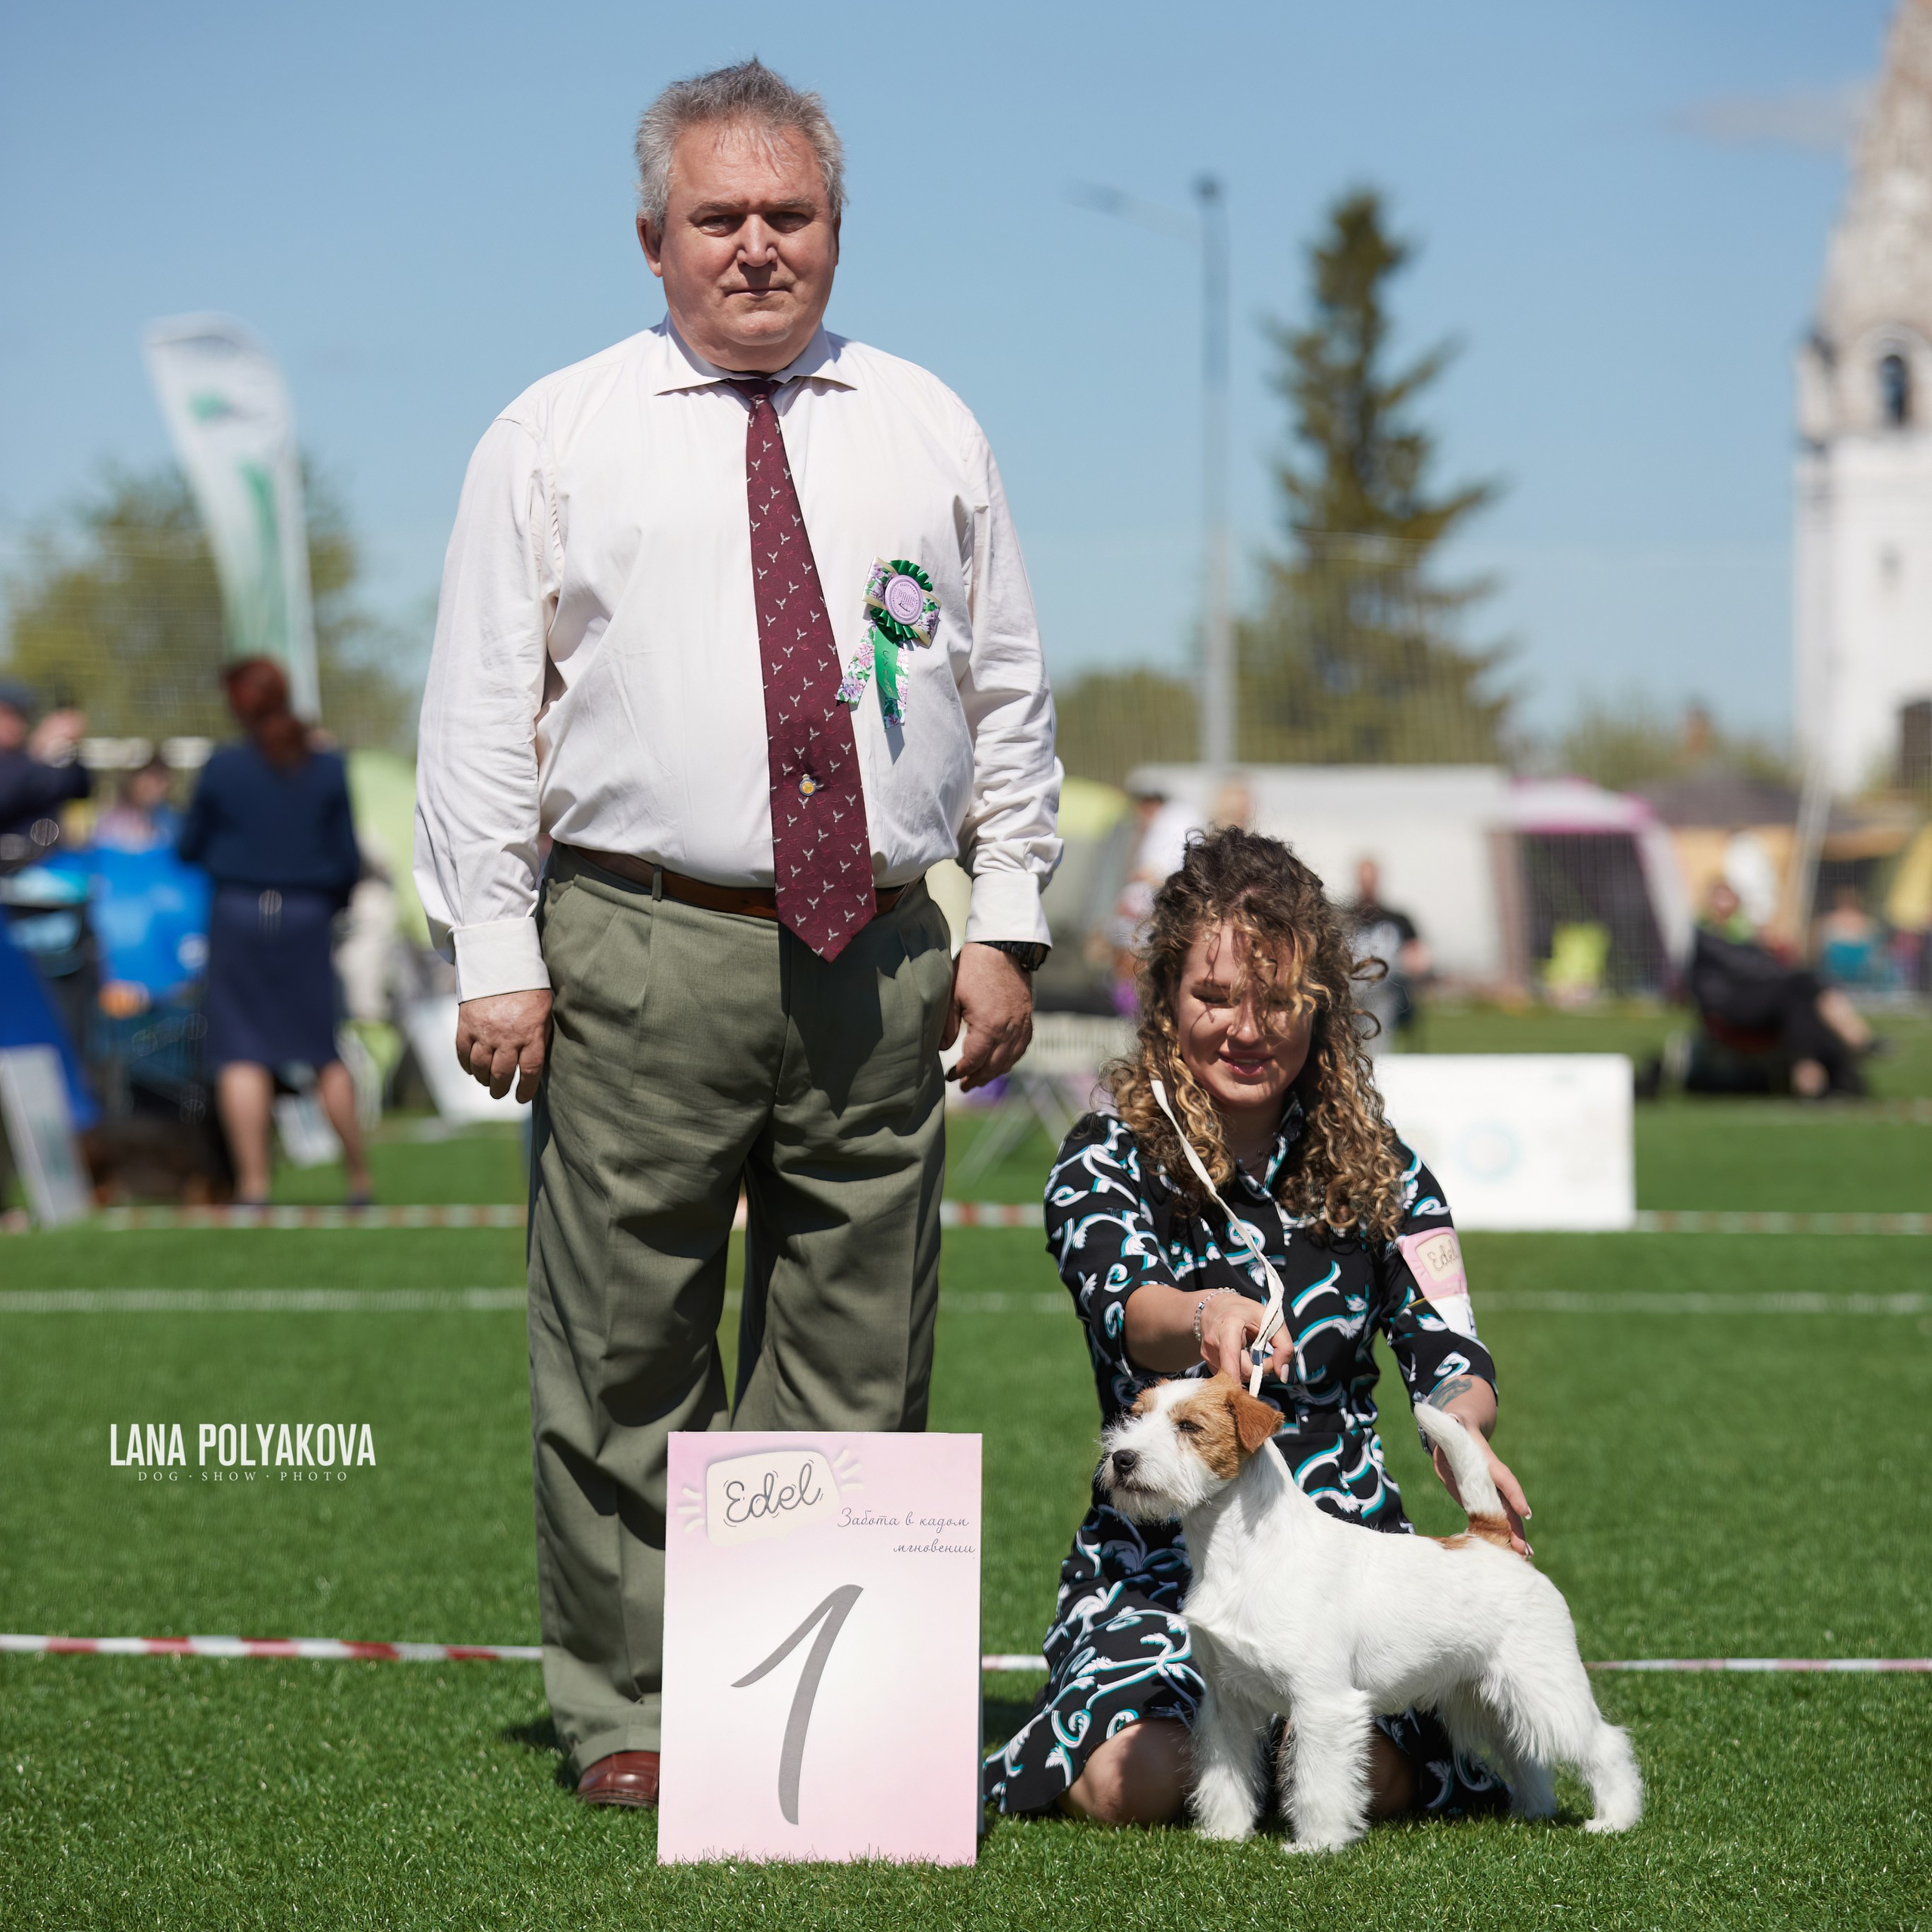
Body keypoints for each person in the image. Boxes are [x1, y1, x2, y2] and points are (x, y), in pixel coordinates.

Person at [413, 60, 1060, 1809]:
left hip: (885, 950)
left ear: (838, 227)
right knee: (624, 1341)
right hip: (637, 938)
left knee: (858, 1342)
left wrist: (1006, 919)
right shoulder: (552, 433)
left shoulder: (929, 426)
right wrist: (494, 949)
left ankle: (806, 1712)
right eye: (720, 217)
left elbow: (1004, 694)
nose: (756, 245)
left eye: (790, 213)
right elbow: (478, 710)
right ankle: (632, 1704)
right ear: (653, 238)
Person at [985, 826, 1527, 1827]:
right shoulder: (1102, 1159)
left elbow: (1448, 1348)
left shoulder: (1388, 1171)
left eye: (1277, 1000)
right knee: (1140, 1778)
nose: (1247, 1028)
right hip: (1161, 1558)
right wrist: (1204, 1313)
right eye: (1216, 996)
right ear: (1164, 1000)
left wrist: (1463, 1432)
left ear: (1321, 1005)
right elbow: (1127, 1305)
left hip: (1350, 1567)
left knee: (1360, 1763)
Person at [177, 658, 371, 1204]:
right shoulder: (328, 767)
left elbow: (188, 846)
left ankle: (255, 1187)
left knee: (241, 1053)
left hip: (238, 914)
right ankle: (359, 1179)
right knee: (322, 1048)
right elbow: (348, 857)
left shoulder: (222, 768)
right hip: (307, 916)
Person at [1688, 880, 1873, 1099]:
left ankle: (1811, 1077)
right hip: (1730, 1006)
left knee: (1799, 1005)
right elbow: (1748, 968)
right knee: (1802, 982)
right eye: (1719, 898)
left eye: (1728, 898)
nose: (1724, 904)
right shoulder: (1707, 934)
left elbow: (1765, 969)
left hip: (1763, 1002)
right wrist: (1765, 947)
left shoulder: (1744, 931)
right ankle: (1852, 1043)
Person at [0, 678, 90, 859]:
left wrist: (69, 748)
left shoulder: (29, 761)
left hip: (43, 862)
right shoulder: (31, 760)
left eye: (20, 716)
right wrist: (37, 750)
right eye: (7, 714)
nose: (14, 724)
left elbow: (80, 789)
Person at [1349, 856, 1429, 1052]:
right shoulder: (1345, 917)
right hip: (1351, 995)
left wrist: (1407, 967)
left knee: (1375, 1045)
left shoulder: (1398, 919)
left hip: (1385, 993)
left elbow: (1418, 956)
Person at [93, 755, 181, 854]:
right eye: (151, 779)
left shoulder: (169, 820)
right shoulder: (111, 821)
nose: (157, 788)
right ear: (132, 779)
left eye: (163, 781)